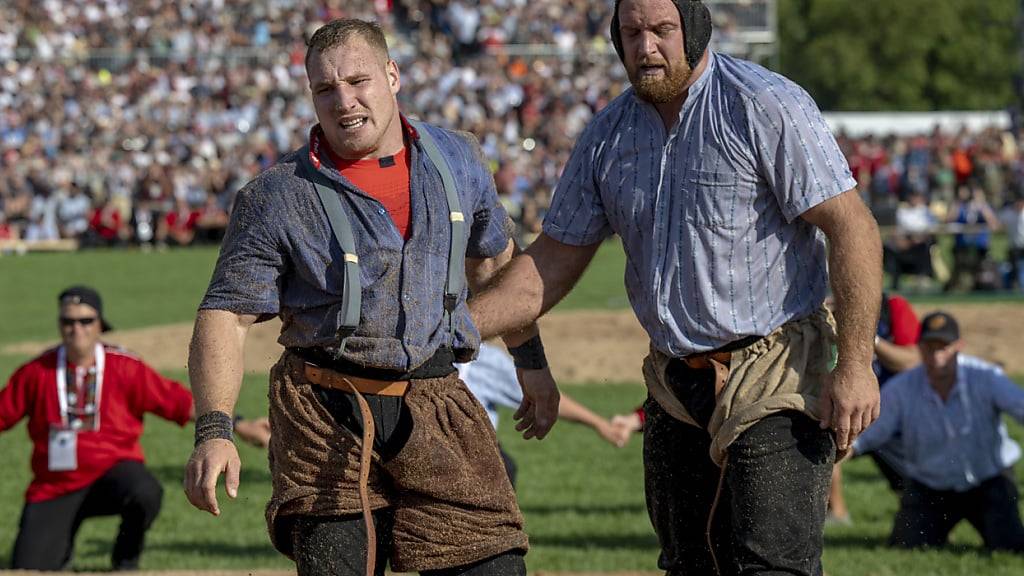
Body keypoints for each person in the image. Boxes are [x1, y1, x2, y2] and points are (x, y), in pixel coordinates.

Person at [467, 1, 883, 574]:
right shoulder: (608, 134)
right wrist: (455, 328)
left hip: (777, 369)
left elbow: (852, 227)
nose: (646, 48)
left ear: (694, 29)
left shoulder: (762, 104)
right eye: (631, 33)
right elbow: (552, 263)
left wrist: (856, 365)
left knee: (771, 567)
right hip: (674, 381)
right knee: (688, 564)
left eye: (662, 30)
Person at [183, 18, 558, 576]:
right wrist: (214, 431)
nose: (344, 102)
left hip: (436, 399)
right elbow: (227, 316)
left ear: (392, 75)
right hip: (322, 411)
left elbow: (494, 265)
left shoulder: (458, 159)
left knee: (493, 565)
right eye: (325, 90)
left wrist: (531, 362)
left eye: (358, 81)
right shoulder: (275, 196)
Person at [0, 286, 194, 571]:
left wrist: (236, 423)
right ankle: (60, 544)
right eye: (67, 322)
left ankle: (125, 560)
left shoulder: (125, 366)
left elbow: (175, 401)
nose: (76, 329)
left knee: (146, 492)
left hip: (112, 475)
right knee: (28, 568)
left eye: (85, 321)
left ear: (100, 324)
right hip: (55, 486)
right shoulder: (36, 371)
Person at [849, 311, 1024, 552]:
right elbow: (871, 433)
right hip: (930, 488)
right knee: (905, 550)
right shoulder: (902, 389)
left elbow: (1020, 407)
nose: (936, 356)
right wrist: (844, 451)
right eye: (929, 348)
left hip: (988, 480)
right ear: (919, 348)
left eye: (943, 348)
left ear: (958, 347)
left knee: (1011, 548)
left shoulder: (986, 378)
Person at [828, 292, 921, 524]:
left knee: (916, 494)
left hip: (891, 413)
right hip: (844, 408)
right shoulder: (816, 312)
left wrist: (866, 335)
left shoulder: (893, 307)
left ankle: (918, 508)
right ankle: (836, 513)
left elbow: (911, 362)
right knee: (826, 440)